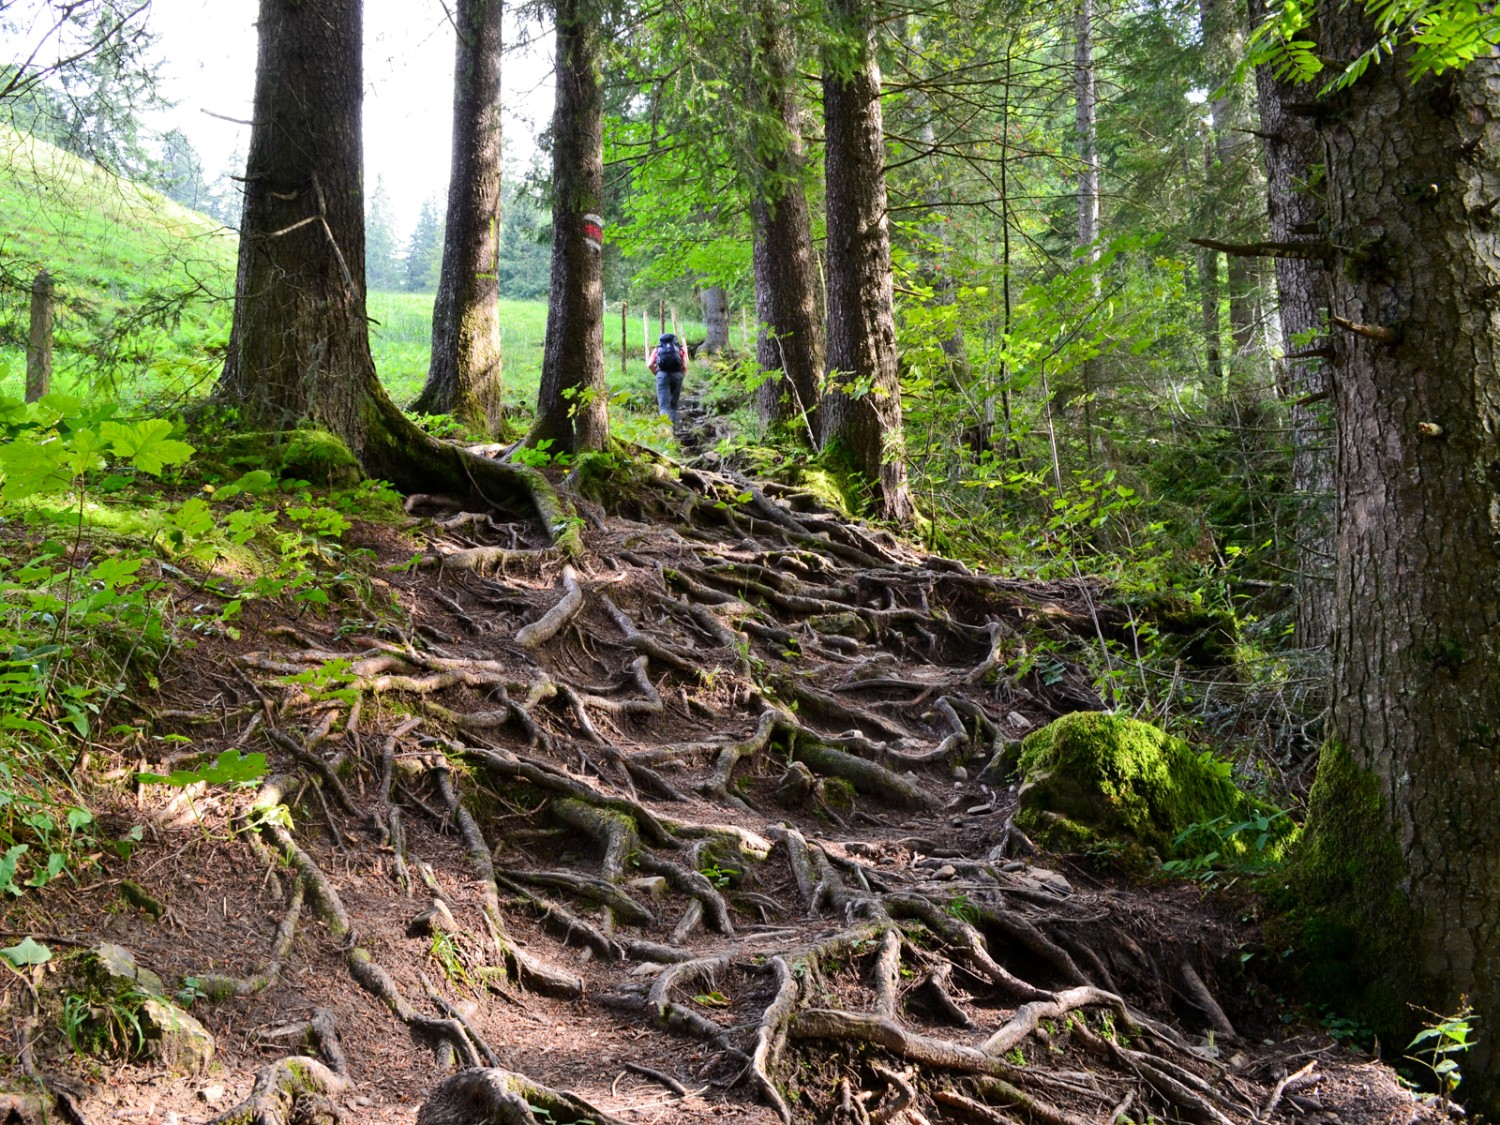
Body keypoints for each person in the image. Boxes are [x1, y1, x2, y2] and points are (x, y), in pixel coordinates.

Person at [648, 332, 687, 426]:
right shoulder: (680, 349)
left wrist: (656, 374)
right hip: (677, 375)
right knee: (673, 404)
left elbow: (649, 364)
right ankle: (672, 428)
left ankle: (666, 429)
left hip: (662, 375)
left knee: (664, 405)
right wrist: (681, 377)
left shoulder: (657, 349)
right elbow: (685, 366)